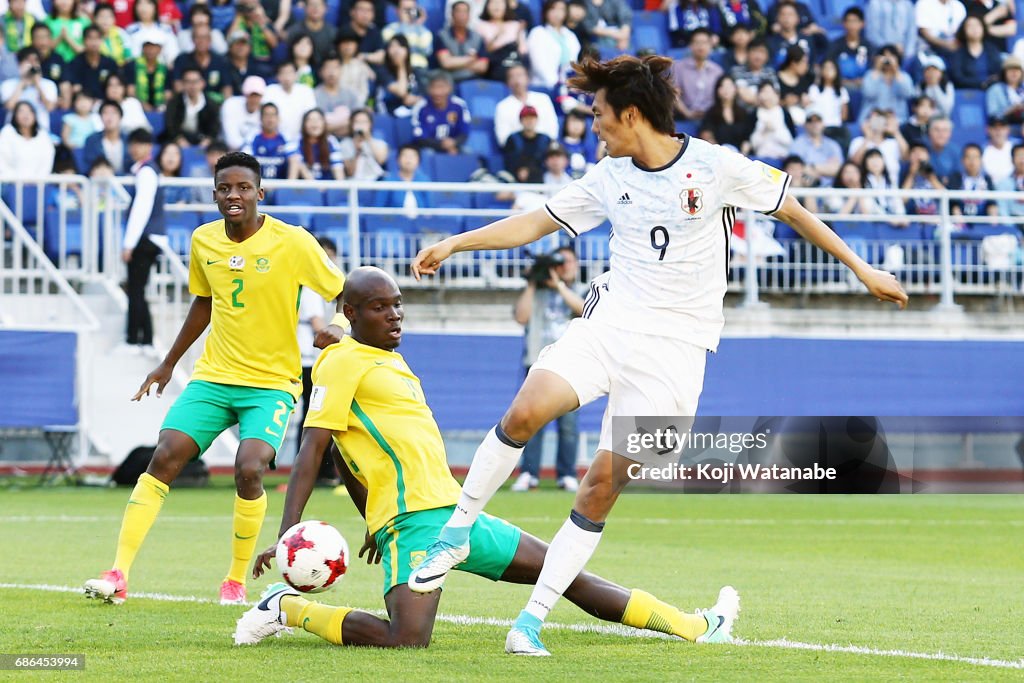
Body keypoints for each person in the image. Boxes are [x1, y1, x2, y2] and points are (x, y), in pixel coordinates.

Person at [407, 55, 907, 656]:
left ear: (632, 115)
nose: (593, 128)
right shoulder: (607, 176)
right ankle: (456, 532)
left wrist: (862, 270)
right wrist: (458, 241)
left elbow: (793, 210)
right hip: (610, 323)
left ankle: (529, 623)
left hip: (676, 353)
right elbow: (536, 222)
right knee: (524, 412)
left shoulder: (715, 166)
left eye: (599, 116)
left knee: (598, 488)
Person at [236, 266, 738, 650]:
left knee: (565, 573)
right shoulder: (339, 362)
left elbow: (351, 449)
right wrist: (289, 533)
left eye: (398, 305)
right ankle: (287, 608)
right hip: (412, 524)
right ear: (349, 309)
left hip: (457, 515)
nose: (394, 316)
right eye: (379, 308)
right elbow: (316, 449)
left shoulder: (382, 357)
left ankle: (697, 627)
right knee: (407, 639)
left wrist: (369, 514)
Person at [84, 151, 347, 607]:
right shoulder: (204, 241)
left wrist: (339, 328)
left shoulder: (293, 241)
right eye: (225, 188)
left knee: (249, 468)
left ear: (260, 194)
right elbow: (203, 303)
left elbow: (344, 291)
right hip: (214, 377)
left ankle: (235, 579)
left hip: (270, 383)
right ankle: (118, 572)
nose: (234, 196)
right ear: (214, 194)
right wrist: (168, 363)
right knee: (164, 456)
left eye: (244, 188)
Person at [510, 245, 584, 493]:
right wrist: (532, 282)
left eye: (568, 262)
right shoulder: (537, 292)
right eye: (559, 262)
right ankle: (529, 473)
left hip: (570, 364)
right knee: (532, 420)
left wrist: (559, 285)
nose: (563, 266)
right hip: (537, 362)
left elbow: (583, 309)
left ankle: (567, 474)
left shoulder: (581, 290)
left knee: (568, 424)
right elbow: (521, 316)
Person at [117, 128, 166, 353]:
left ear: (149, 147)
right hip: (146, 237)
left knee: (136, 290)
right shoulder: (144, 171)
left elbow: (141, 209)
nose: (135, 148)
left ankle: (133, 340)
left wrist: (129, 243)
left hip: (144, 238)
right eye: (133, 143)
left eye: (141, 143)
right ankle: (145, 340)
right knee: (138, 289)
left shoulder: (146, 173)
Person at [494, 61, 558, 146]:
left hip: (544, 149)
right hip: (518, 152)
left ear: (528, 78)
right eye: (512, 76)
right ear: (507, 83)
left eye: (520, 75)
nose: (517, 80)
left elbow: (553, 130)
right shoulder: (502, 106)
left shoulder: (543, 99)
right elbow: (503, 139)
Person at [411, 70, 471, 154]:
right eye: (434, 87)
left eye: (441, 87)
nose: (437, 92)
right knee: (428, 153)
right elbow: (419, 137)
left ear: (450, 88)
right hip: (429, 147)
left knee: (468, 152)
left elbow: (464, 132)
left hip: (453, 145)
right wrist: (441, 144)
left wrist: (454, 143)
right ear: (428, 88)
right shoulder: (421, 107)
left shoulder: (459, 105)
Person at [1, 46, 58, 131]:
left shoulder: (49, 85)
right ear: (19, 64)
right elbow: (9, 106)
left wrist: (37, 84)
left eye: (36, 61)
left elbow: (50, 107)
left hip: (40, 131)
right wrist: (22, 82)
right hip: (13, 132)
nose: (32, 64)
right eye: (28, 60)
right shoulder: (7, 84)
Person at [526, 0, 579, 92]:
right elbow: (538, 65)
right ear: (546, 11)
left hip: (567, 86)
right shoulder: (537, 33)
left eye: (561, 9)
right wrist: (557, 85)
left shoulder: (571, 36)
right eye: (553, 9)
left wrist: (570, 84)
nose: (557, 13)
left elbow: (573, 64)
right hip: (544, 86)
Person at [162, 66, 222, 147]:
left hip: (203, 140)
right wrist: (179, 140)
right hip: (178, 140)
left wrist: (207, 141)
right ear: (182, 84)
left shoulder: (212, 104)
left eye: (195, 81)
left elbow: (215, 127)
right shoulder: (174, 102)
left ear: (202, 83)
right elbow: (170, 125)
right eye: (188, 82)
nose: (192, 86)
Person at [671, 27, 722, 122]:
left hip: (710, 119)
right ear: (690, 46)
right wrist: (687, 113)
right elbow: (674, 94)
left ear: (711, 45)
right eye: (697, 42)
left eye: (705, 42)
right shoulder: (678, 67)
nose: (701, 46)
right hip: (683, 116)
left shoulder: (717, 71)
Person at [848, 108, 907, 189]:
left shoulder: (893, 143)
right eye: (873, 119)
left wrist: (895, 131)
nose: (876, 122)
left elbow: (906, 156)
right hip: (864, 189)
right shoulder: (858, 142)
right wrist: (867, 138)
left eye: (880, 119)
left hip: (891, 189)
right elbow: (854, 163)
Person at [172, 22, 231, 102]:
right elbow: (178, 86)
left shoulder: (220, 61)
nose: (201, 41)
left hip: (214, 106)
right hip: (188, 103)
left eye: (204, 37)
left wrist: (225, 103)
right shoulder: (182, 60)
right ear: (192, 40)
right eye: (197, 37)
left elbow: (227, 88)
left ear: (210, 40)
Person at [263, 60, 317, 142]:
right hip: (275, 139)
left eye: (290, 72)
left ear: (296, 75)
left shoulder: (306, 91)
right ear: (277, 76)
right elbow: (265, 117)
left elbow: (312, 117)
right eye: (283, 73)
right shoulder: (270, 90)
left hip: (302, 139)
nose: (287, 77)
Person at [436, 0, 489, 82]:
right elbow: (446, 63)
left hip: (473, 80)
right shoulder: (442, 36)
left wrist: (455, 63)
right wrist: (471, 59)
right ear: (452, 14)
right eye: (458, 11)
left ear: (469, 15)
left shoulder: (478, 37)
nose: (461, 15)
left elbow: (482, 66)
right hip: (450, 81)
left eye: (465, 12)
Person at [859, 45, 914, 123]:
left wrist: (896, 70)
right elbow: (869, 93)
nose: (887, 59)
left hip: (898, 119)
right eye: (884, 56)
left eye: (891, 56)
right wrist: (877, 69)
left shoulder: (904, 76)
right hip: (872, 118)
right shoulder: (870, 75)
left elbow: (907, 93)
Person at [286, 108, 345, 180]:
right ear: (304, 124)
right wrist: (316, 188)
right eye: (310, 120)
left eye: (318, 119)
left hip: (327, 187)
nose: (314, 123)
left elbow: (338, 170)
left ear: (324, 123)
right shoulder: (296, 140)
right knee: (295, 161)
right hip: (305, 188)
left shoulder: (331, 141)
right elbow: (296, 163)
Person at [0, 99, 54, 177]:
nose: (26, 115)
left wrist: (38, 179)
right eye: (21, 112)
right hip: (10, 182)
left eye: (29, 112)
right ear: (15, 115)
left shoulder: (43, 135)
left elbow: (48, 159)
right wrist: (14, 178)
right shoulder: (7, 132)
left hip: (39, 184)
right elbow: (2, 161)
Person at [789, 110, 843, 187]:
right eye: (810, 121)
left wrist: (813, 167)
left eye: (818, 121)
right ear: (805, 125)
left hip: (832, 187)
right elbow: (796, 168)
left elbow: (837, 169)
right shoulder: (797, 143)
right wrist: (826, 169)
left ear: (823, 124)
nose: (814, 124)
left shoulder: (832, 145)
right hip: (806, 185)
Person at [476, 0, 526, 82]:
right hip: (493, 67)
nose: (497, 6)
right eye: (493, 3)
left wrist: (519, 37)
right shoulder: (481, 26)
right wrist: (497, 36)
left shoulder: (515, 25)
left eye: (500, 3)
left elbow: (522, 51)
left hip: (513, 61)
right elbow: (482, 52)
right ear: (487, 6)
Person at [947, 15, 1002, 90]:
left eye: (977, 25)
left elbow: (997, 73)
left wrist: (988, 83)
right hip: (965, 90)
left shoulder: (992, 49)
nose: (974, 29)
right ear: (964, 30)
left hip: (991, 90)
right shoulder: (958, 53)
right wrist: (981, 83)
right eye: (970, 26)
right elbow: (957, 77)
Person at [375, 34, 424, 117]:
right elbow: (401, 92)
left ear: (407, 50)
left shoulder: (415, 71)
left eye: (400, 46)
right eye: (392, 46)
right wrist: (401, 66)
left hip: (413, 116)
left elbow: (425, 96)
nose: (396, 50)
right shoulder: (383, 71)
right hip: (388, 116)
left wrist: (415, 99)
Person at [702, 73, 753, 153]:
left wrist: (743, 153)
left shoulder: (743, 113)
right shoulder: (711, 113)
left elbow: (747, 138)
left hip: (740, 157)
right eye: (722, 86)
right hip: (718, 156)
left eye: (729, 86)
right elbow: (707, 135)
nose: (726, 90)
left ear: (735, 89)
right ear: (717, 90)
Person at [949, 143, 999, 221]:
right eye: (968, 157)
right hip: (960, 221)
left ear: (981, 160)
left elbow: (992, 204)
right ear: (962, 160)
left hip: (983, 221)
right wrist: (960, 223)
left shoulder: (986, 179)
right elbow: (953, 205)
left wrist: (992, 224)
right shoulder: (956, 178)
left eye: (975, 157)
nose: (972, 161)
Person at [824, 7, 873, 87]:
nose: (852, 25)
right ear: (844, 23)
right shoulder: (835, 45)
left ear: (863, 23)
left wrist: (864, 80)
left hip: (864, 87)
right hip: (840, 87)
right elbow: (828, 66)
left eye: (855, 21)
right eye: (849, 21)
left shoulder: (869, 46)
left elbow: (874, 71)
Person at [376, 144, 431, 215]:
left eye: (412, 156)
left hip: (421, 223)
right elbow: (378, 209)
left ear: (418, 161)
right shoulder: (388, 181)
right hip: (395, 223)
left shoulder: (424, 181)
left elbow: (430, 209)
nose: (408, 159)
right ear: (398, 160)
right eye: (405, 156)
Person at [68, 24, 119, 100]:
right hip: (84, 104)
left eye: (97, 38)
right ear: (84, 41)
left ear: (102, 40)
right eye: (90, 38)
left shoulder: (110, 63)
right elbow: (75, 88)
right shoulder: (75, 63)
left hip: (106, 104)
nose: (94, 42)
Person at [338, 108, 389, 181]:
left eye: (364, 122)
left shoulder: (380, 143)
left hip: (376, 180)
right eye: (357, 122)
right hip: (355, 182)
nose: (361, 125)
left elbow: (381, 160)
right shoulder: (345, 143)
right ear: (352, 124)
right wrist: (357, 151)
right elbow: (350, 172)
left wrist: (368, 138)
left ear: (370, 124)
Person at [82, 99, 131, 173]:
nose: (109, 117)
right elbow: (89, 165)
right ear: (100, 117)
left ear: (120, 117)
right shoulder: (91, 140)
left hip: (126, 181)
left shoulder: (129, 140)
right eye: (105, 113)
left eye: (114, 113)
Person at [503, 104, 551, 179]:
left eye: (532, 118)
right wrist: (519, 170)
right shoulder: (512, 139)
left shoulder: (546, 139)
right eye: (526, 118)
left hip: (542, 178)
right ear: (521, 120)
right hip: (516, 179)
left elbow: (548, 162)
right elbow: (509, 162)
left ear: (537, 120)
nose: (529, 121)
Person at [243, 101, 289, 180]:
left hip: (281, 187)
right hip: (257, 186)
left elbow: (294, 160)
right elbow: (245, 161)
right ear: (260, 118)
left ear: (278, 118)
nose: (270, 119)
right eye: (266, 115)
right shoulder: (252, 138)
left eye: (273, 115)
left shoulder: (286, 138)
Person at [126, 29, 169, 112]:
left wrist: (161, 107)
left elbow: (168, 94)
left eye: (154, 47)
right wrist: (143, 105)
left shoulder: (164, 69)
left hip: (160, 109)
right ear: (143, 48)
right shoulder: (132, 65)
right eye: (147, 46)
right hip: (137, 109)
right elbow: (130, 91)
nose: (150, 50)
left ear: (160, 49)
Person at [382, 0, 433, 70]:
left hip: (418, 68)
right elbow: (393, 49)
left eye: (412, 9)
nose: (409, 12)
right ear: (397, 11)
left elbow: (426, 50)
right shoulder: (389, 29)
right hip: (396, 68)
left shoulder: (423, 31)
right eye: (406, 9)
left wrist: (418, 25)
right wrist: (405, 24)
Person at [749, 81, 794, 161]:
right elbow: (752, 143)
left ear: (776, 94)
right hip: (760, 157)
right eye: (763, 92)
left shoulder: (784, 112)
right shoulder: (754, 114)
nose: (767, 96)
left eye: (769, 92)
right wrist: (764, 131)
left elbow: (790, 140)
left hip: (782, 157)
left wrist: (775, 130)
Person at [126, 0, 178, 65]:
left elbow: (172, 54)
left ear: (155, 7)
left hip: (162, 71)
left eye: (148, 3)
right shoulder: (130, 30)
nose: (143, 7)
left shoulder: (165, 29)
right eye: (140, 3)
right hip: (136, 70)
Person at [864, 0, 916, 65]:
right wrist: (891, 49)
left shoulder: (907, 4)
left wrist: (907, 52)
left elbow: (912, 32)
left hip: (903, 53)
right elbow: (871, 33)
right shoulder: (875, 3)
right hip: (880, 52)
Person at [221, 75, 265, 151]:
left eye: (257, 96)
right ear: (245, 95)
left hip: (254, 153)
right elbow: (232, 142)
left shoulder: (266, 111)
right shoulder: (231, 105)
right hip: (228, 151)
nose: (254, 99)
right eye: (251, 95)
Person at [730, 38, 778, 107]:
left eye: (762, 52)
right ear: (747, 53)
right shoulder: (737, 71)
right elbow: (745, 96)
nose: (758, 56)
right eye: (754, 51)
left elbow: (776, 96)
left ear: (767, 56)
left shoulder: (770, 72)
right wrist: (766, 101)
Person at [285, 0, 336, 65]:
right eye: (311, 4)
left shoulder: (333, 33)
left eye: (319, 5)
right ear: (305, 8)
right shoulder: (294, 31)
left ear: (326, 8)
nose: (315, 8)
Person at [335, 30, 376, 108]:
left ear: (356, 45)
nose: (348, 46)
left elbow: (365, 90)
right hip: (336, 106)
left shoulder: (361, 65)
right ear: (338, 45)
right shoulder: (333, 64)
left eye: (351, 43)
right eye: (345, 43)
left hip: (358, 106)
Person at [339, 0, 384, 66]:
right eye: (361, 10)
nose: (365, 14)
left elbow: (381, 56)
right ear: (352, 12)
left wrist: (364, 56)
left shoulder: (374, 31)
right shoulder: (344, 32)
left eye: (369, 10)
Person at [985, 55, 1024, 124]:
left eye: (1017, 69)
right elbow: (993, 116)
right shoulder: (995, 90)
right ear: (1004, 72)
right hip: (1003, 126)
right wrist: (1011, 110)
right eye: (1010, 69)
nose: (1014, 72)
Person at [917, 54, 955, 118]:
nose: (931, 73)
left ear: (941, 72)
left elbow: (946, 110)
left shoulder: (947, 86)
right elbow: (919, 107)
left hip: (942, 120)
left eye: (935, 69)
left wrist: (935, 86)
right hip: (924, 120)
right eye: (928, 69)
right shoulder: (920, 86)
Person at [156, 140, 192, 205]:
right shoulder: (152, 180)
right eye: (167, 153)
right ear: (160, 157)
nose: (171, 157)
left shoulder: (183, 185)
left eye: (175, 154)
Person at [925, 115, 958, 185]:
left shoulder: (956, 152)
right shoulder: (921, 148)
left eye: (945, 130)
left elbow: (958, 178)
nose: (941, 134)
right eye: (936, 130)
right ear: (929, 132)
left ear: (950, 133)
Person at [982, 114, 1014, 182]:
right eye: (994, 127)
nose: (998, 131)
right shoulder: (981, 151)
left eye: (1002, 127)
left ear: (1008, 129)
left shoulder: (1017, 149)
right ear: (987, 130)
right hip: (989, 189)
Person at [995, 143, 1024, 217]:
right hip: (1013, 224)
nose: (1022, 160)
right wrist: (1011, 227)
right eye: (1019, 156)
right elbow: (1002, 210)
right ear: (1012, 159)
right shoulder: (1003, 183)